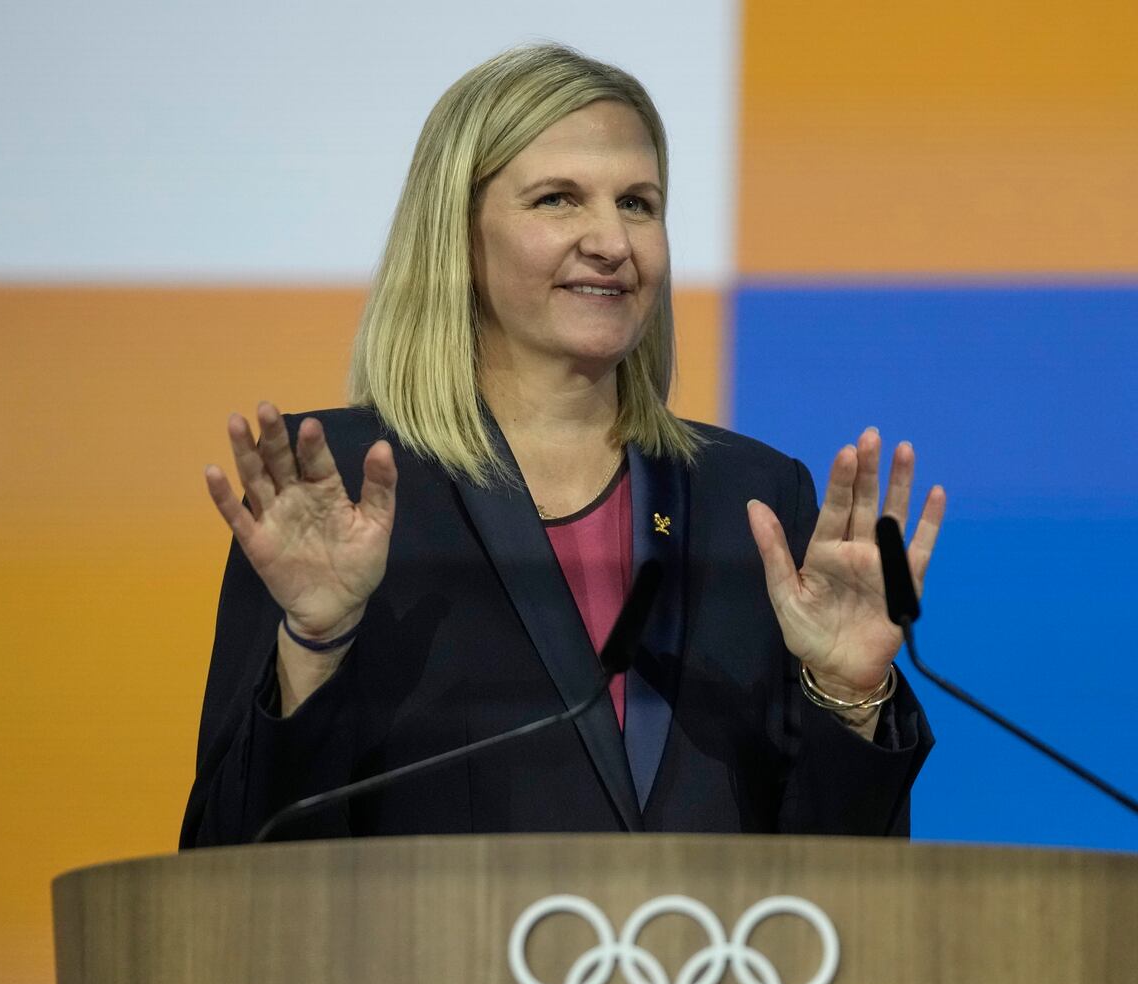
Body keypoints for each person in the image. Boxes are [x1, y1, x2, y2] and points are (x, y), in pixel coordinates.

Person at [180, 44, 945, 847]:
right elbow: (228, 865)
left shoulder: (753, 501)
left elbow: (843, 901)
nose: (613, 240)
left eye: (639, 203)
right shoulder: (339, 490)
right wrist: (316, 642)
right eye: (558, 200)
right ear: (459, 238)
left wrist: (846, 693)